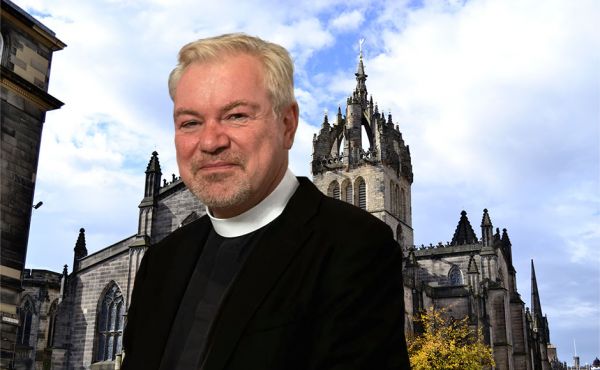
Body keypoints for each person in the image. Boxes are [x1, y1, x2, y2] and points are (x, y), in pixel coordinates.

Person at [122, 33, 410, 370]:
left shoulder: (356, 246)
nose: (211, 141)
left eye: (237, 116)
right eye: (190, 122)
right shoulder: (161, 260)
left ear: (287, 126)